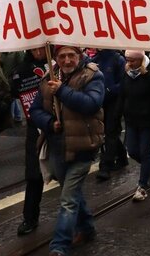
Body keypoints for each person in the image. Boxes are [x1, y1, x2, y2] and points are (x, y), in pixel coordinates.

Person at [29, 45, 105, 256]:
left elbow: (92, 104)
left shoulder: (92, 75)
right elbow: (35, 110)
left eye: (71, 55)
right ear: (56, 58)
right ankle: (86, 228)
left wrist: (62, 91)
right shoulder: (48, 77)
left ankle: (59, 246)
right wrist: (49, 122)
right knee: (71, 192)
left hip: (83, 147)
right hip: (58, 147)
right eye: (62, 56)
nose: (67, 60)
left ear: (79, 55)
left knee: (68, 200)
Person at [9, 47, 50, 236]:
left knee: (67, 175)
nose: (38, 51)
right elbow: (13, 92)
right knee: (33, 174)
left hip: (61, 125)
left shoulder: (60, 63)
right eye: (34, 48)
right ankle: (29, 217)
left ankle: (76, 218)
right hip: (36, 127)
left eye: (41, 47)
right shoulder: (22, 69)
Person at [121, 50, 150, 201]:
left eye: (132, 60)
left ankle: (142, 186)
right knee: (132, 151)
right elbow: (123, 95)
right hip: (131, 119)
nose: (129, 63)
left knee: (145, 152)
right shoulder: (127, 72)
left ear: (141, 60)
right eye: (127, 60)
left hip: (148, 120)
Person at [91, 48, 128, 181]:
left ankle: (105, 166)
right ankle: (122, 157)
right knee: (108, 132)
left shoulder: (118, 59)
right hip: (101, 102)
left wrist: (109, 90)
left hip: (115, 102)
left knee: (111, 132)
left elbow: (123, 83)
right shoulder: (95, 60)